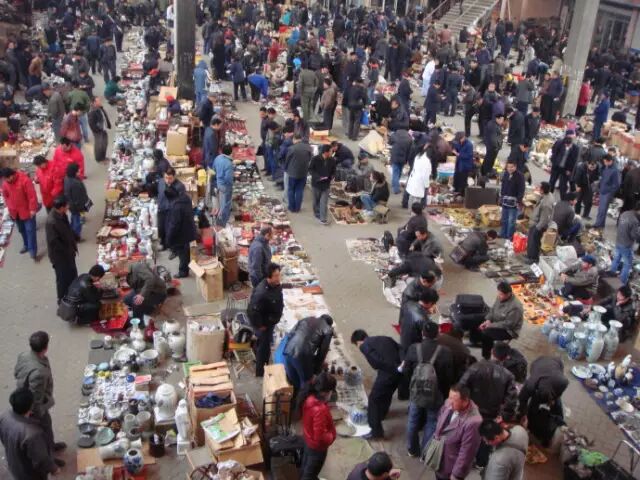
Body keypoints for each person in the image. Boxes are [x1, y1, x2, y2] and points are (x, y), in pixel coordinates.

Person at [401, 321, 454, 456]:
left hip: (416, 392)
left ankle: (412, 449)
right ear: (438, 334)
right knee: (432, 421)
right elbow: (449, 377)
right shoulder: (445, 351)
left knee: (413, 420)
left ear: (422, 333)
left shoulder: (414, 348)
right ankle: (425, 452)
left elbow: (406, 371)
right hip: (436, 393)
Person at [13, 331, 66, 466]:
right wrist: (38, 413)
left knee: (46, 430)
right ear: (45, 347)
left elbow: (16, 373)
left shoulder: (24, 355)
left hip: (25, 397)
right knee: (43, 431)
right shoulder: (39, 372)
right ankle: (50, 458)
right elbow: (36, 399)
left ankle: (51, 446)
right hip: (34, 408)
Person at [351, 330, 402, 440]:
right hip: (399, 372)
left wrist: (391, 368)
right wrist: (399, 367)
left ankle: (376, 431)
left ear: (358, 342)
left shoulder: (364, 345)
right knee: (387, 394)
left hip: (387, 373)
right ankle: (382, 414)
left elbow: (376, 362)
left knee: (373, 399)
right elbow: (400, 349)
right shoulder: (385, 338)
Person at [0, 387, 60, 479]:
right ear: (31, 406)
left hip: (14, 464)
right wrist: (54, 469)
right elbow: (41, 459)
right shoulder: (32, 434)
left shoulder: (4, 416)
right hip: (30, 474)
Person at [430, 384, 483, 480]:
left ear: (465, 401)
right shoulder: (449, 403)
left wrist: (456, 475)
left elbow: (467, 453)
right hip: (439, 460)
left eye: (454, 400)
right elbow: (441, 417)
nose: (449, 402)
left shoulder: (473, 422)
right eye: (449, 397)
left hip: (451, 468)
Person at [517, 356, 568, 447]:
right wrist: (523, 414)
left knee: (557, 405)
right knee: (533, 408)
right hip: (538, 363)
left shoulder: (562, 382)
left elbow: (558, 393)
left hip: (554, 362)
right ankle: (531, 425)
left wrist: (554, 399)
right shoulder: (531, 385)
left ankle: (560, 425)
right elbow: (522, 399)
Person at [248, 263, 284, 377]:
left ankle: (265, 364)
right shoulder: (262, 293)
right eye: (276, 276)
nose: (278, 278)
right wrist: (260, 325)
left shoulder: (275, 285)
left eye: (279, 275)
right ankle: (260, 371)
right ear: (269, 277)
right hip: (264, 325)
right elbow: (252, 311)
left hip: (270, 322)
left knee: (266, 344)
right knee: (263, 348)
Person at [298, 372, 337, 480]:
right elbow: (320, 437)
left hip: (308, 439)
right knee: (310, 473)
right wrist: (331, 435)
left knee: (306, 466)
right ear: (326, 392)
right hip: (317, 448)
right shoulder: (320, 410)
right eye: (331, 391)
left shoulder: (309, 397)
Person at [472, 282, 524, 359]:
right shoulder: (500, 297)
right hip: (497, 320)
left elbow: (508, 324)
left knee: (486, 332)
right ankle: (475, 340)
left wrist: (490, 325)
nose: (499, 296)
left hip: (509, 330)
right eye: (498, 293)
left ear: (509, 294)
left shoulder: (515, 307)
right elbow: (493, 309)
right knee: (475, 318)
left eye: (501, 294)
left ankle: (486, 356)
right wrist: (488, 319)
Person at [283, 315, 334, 389]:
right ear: (329, 324)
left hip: (288, 350)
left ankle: (294, 394)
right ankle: (301, 395)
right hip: (302, 356)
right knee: (306, 384)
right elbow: (322, 352)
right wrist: (316, 370)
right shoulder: (328, 329)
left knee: (293, 382)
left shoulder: (306, 319)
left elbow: (291, 334)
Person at [0, 168, 38, 260]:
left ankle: (32, 251)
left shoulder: (24, 180)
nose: (5, 180)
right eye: (4, 179)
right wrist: (9, 206)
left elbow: (32, 196)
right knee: (22, 230)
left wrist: (32, 209)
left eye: (6, 178)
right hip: (15, 212)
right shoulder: (6, 183)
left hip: (27, 211)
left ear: (11, 175)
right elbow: (5, 195)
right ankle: (26, 245)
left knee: (30, 231)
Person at [45, 196, 78, 301]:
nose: (68, 207)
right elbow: (54, 242)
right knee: (62, 278)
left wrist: (74, 236)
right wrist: (67, 251)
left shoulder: (62, 215)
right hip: (60, 256)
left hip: (68, 252)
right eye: (67, 205)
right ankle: (61, 299)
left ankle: (73, 294)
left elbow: (67, 229)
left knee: (72, 274)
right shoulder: (52, 222)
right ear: (62, 207)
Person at [164, 185, 197, 278]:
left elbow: (174, 225)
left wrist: (169, 237)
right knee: (185, 249)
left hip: (182, 233)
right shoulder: (186, 197)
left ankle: (183, 272)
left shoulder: (176, 207)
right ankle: (185, 263)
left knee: (182, 252)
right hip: (189, 228)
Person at [399, 289, 440, 359]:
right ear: (430, 303)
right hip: (414, 347)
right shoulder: (423, 319)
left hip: (403, 337)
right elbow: (430, 336)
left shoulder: (408, 303)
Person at [608, 206, 640, 285]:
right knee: (627, 264)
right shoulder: (635, 220)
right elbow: (634, 235)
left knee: (616, 260)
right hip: (626, 245)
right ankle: (622, 283)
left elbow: (619, 226)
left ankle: (610, 276)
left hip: (618, 241)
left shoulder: (624, 213)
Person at [157, 167, 185, 250]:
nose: (167, 180)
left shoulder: (180, 186)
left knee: (171, 230)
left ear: (174, 177)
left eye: (170, 178)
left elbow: (181, 201)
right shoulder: (161, 182)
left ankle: (173, 248)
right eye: (166, 177)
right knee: (161, 228)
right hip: (161, 209)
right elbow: (159, 194)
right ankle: (163, 244)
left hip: (172, 212)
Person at [526, 181, 554, 263]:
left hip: (538, 225)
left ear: (542, 190)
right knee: (531, 240)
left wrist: (537, 228)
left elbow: (545, 218)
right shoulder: (546, 195)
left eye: (539, 187)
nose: (537, 188)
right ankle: (529, 255)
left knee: (534, 242)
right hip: (535, 223)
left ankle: (533, 258)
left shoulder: (546, 203)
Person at [308, 144, 336, 225]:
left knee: (324, 202)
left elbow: (334, 170)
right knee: (316, 201)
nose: (332, 152)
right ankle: (317, 213)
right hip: (316, 184)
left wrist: (332, 176)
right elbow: (310, 169)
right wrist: (317, 177)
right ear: (325, 152)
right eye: (331, 151)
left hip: (326, 184)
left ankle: (323, 218)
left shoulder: (332, 160)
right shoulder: (315, 159)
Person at [286, 133, 313, 212]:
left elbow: (287, 160)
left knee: (291, 190)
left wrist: (286, 168)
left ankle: (291, 207)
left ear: (294, 139)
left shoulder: (292, 148)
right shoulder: (308, 148)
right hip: (303, 172)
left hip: (292, 173)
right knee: (299, 190)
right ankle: (297, 208)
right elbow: (310, 158)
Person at [63, 163, 90, 241]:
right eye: (78, 170)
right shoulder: (75, 183)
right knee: (77, 222)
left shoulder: (67, 178)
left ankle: (72, 234)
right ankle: (76, 237)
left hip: (71, 205)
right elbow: (77, 198)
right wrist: (82, 208)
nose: (80, 171)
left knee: (74, 219)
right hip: (77, 206)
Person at [593, 154, 621, 229]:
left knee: (602, 209)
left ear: (610, 161)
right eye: (604, 161)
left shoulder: (615, 171)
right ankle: (600, 224)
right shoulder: (606, 167)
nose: (604, 163)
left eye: (605, 162)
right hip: (602, 191)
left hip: (607, 193)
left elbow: (617, 185)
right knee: (600, 209)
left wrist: (609, 192)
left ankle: (598, 224)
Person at [499, 160, 525, 240]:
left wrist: (519, 201)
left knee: (511, 221)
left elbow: (521, 189)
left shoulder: (520, 176)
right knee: (504, 219)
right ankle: (503, 234)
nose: (510, 169)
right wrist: (501, 196)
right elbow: (503, 185)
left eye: (511, 167)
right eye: (508, 167)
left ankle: (509, 236)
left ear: (515, 167)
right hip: (505, 201)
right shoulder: (506, 174)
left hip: (514, 203)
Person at [549, 133, 579, 199]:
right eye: (565, 145)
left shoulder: (575, 148)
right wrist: (553, 161)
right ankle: (549, 196)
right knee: (552, 181)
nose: (566, 146)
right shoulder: (559, 143)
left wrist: (569, 170)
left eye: (568, 145)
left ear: (571, 143)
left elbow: (573, 160)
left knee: (563, 185)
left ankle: (563, 199)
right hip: (556, 166)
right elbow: (554, 151)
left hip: (565, 169)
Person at [212, 145, 234, 227]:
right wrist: (231, 186)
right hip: (225, 186)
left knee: (220, 202)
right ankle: (223, 223)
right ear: (230, 152)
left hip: (218, 183)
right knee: (226, 204)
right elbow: (228, 178)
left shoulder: (217, 158)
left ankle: (219, 219)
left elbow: (213, 169)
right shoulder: (229, 163)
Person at [87, 96, 111, 163]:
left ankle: (103, 157)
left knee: (104, 144)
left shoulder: (99, 107)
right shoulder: (92, 112)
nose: (100, 102)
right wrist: (98, 130)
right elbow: (91, 124)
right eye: (98, 101)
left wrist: (108, 124)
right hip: (99, 131)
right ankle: (99, 159)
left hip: (103, 129)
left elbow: (104, 116)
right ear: (94, 102)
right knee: (99, 146)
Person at [389, 128, 412, 194]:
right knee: (399, 172)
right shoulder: (409, 138)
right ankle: (395, 185)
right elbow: (409, 150)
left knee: (395, 172)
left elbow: (390, 142)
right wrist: (407, 160)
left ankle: (395, 188)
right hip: (403, 158)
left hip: (395, 156)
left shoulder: (395, 134)